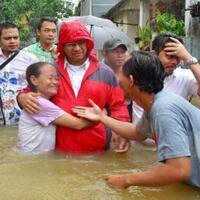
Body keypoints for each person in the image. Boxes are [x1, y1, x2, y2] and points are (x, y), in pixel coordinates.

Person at [73, 51, 200, 189]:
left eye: (121, 77)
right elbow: (138, 133)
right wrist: (102, 118)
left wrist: (127, 180)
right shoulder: (156, 103)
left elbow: (178, 170)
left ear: (131, 80)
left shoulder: (163, 110)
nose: (118, 82)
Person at [17, 20, 130, 154]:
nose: (77, 48)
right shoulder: (51, 70)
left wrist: (123, 133)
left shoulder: (105, 73)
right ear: (62, 46)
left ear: (88, 44)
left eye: (81, 43)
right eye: (71, 44)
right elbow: (30, 92)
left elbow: (118, 106)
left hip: (98, 147)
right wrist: (21, 98)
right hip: (58, 149)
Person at [18, 62, 93, 153]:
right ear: (34, 80)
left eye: (57, 79)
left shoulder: (36, 99)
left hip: (33, 156)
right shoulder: (40, 103)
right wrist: (101, 117)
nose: (55, 82)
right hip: (34, 158)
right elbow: (78, 125)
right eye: (50, 78)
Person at [132, 33, 200, 124]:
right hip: (140, 135)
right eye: (170, 56)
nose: (175, 62)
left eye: (178, 57)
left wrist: (188, 57)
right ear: (154, 54)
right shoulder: (137, 75)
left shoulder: (183, 76)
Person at [0, 21, 37, 125]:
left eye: (15, 38)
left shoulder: (30, 59)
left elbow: (39, 86)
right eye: (7, 38)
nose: (12, 41)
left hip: (23, 118)